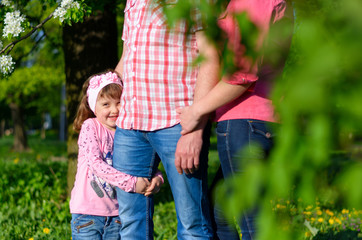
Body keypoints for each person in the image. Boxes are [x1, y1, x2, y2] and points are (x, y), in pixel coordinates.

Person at [177, 0, 293, 239]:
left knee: (252, 223)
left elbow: (243, 74)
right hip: (253, 122)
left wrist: (197, 111)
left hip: (247, 123)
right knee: (220, 211)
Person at [112, 0, 220, 238]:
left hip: (178, 125)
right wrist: (103, 89)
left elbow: (210, 55)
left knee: (193, 225)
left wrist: (195, 129)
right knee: (130, 223)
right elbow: (128, 56)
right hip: (130, 124)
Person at [69, 71, 164, 240]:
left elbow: (142, 161)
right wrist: (132, 183)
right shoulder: (90, 127)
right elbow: (95, 163)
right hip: (87, 215)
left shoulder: (129, 132)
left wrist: (156, 177)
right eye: (106, 104)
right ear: (93, 106)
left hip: (118, 215)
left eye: (119, 103)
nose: (114, 110)